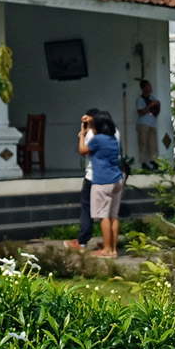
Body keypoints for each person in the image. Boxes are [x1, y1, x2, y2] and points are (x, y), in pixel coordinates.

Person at [80, 112, 122, 257]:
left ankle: (107, 249)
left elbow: (82, 150)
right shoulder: (113, 139)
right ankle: (114, 249)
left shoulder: (97, 139)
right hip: (117, 179)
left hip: (102, 181)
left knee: (103, 216)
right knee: (113, 216)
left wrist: (82, 136)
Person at [65, 107, 101, 251]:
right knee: (109, 214)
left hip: (92, 175)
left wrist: (82, 135)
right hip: (108, 176)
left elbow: (83, 150)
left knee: (87, 209)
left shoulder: (93, 134)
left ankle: (82, 241)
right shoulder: (111, 133)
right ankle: (110, 244)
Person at [136, 80, 160, 171]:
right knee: (143, 143)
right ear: (144, 88)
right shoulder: (140, 99)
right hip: (144, 124)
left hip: (152, 124)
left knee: (153, 144)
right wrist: (150, 106)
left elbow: (157, 110)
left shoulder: (153, 98)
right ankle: (143, 162)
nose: (151, 88)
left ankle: (154, 161)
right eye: (148, 86)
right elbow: (140, 112)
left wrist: (157, 105)